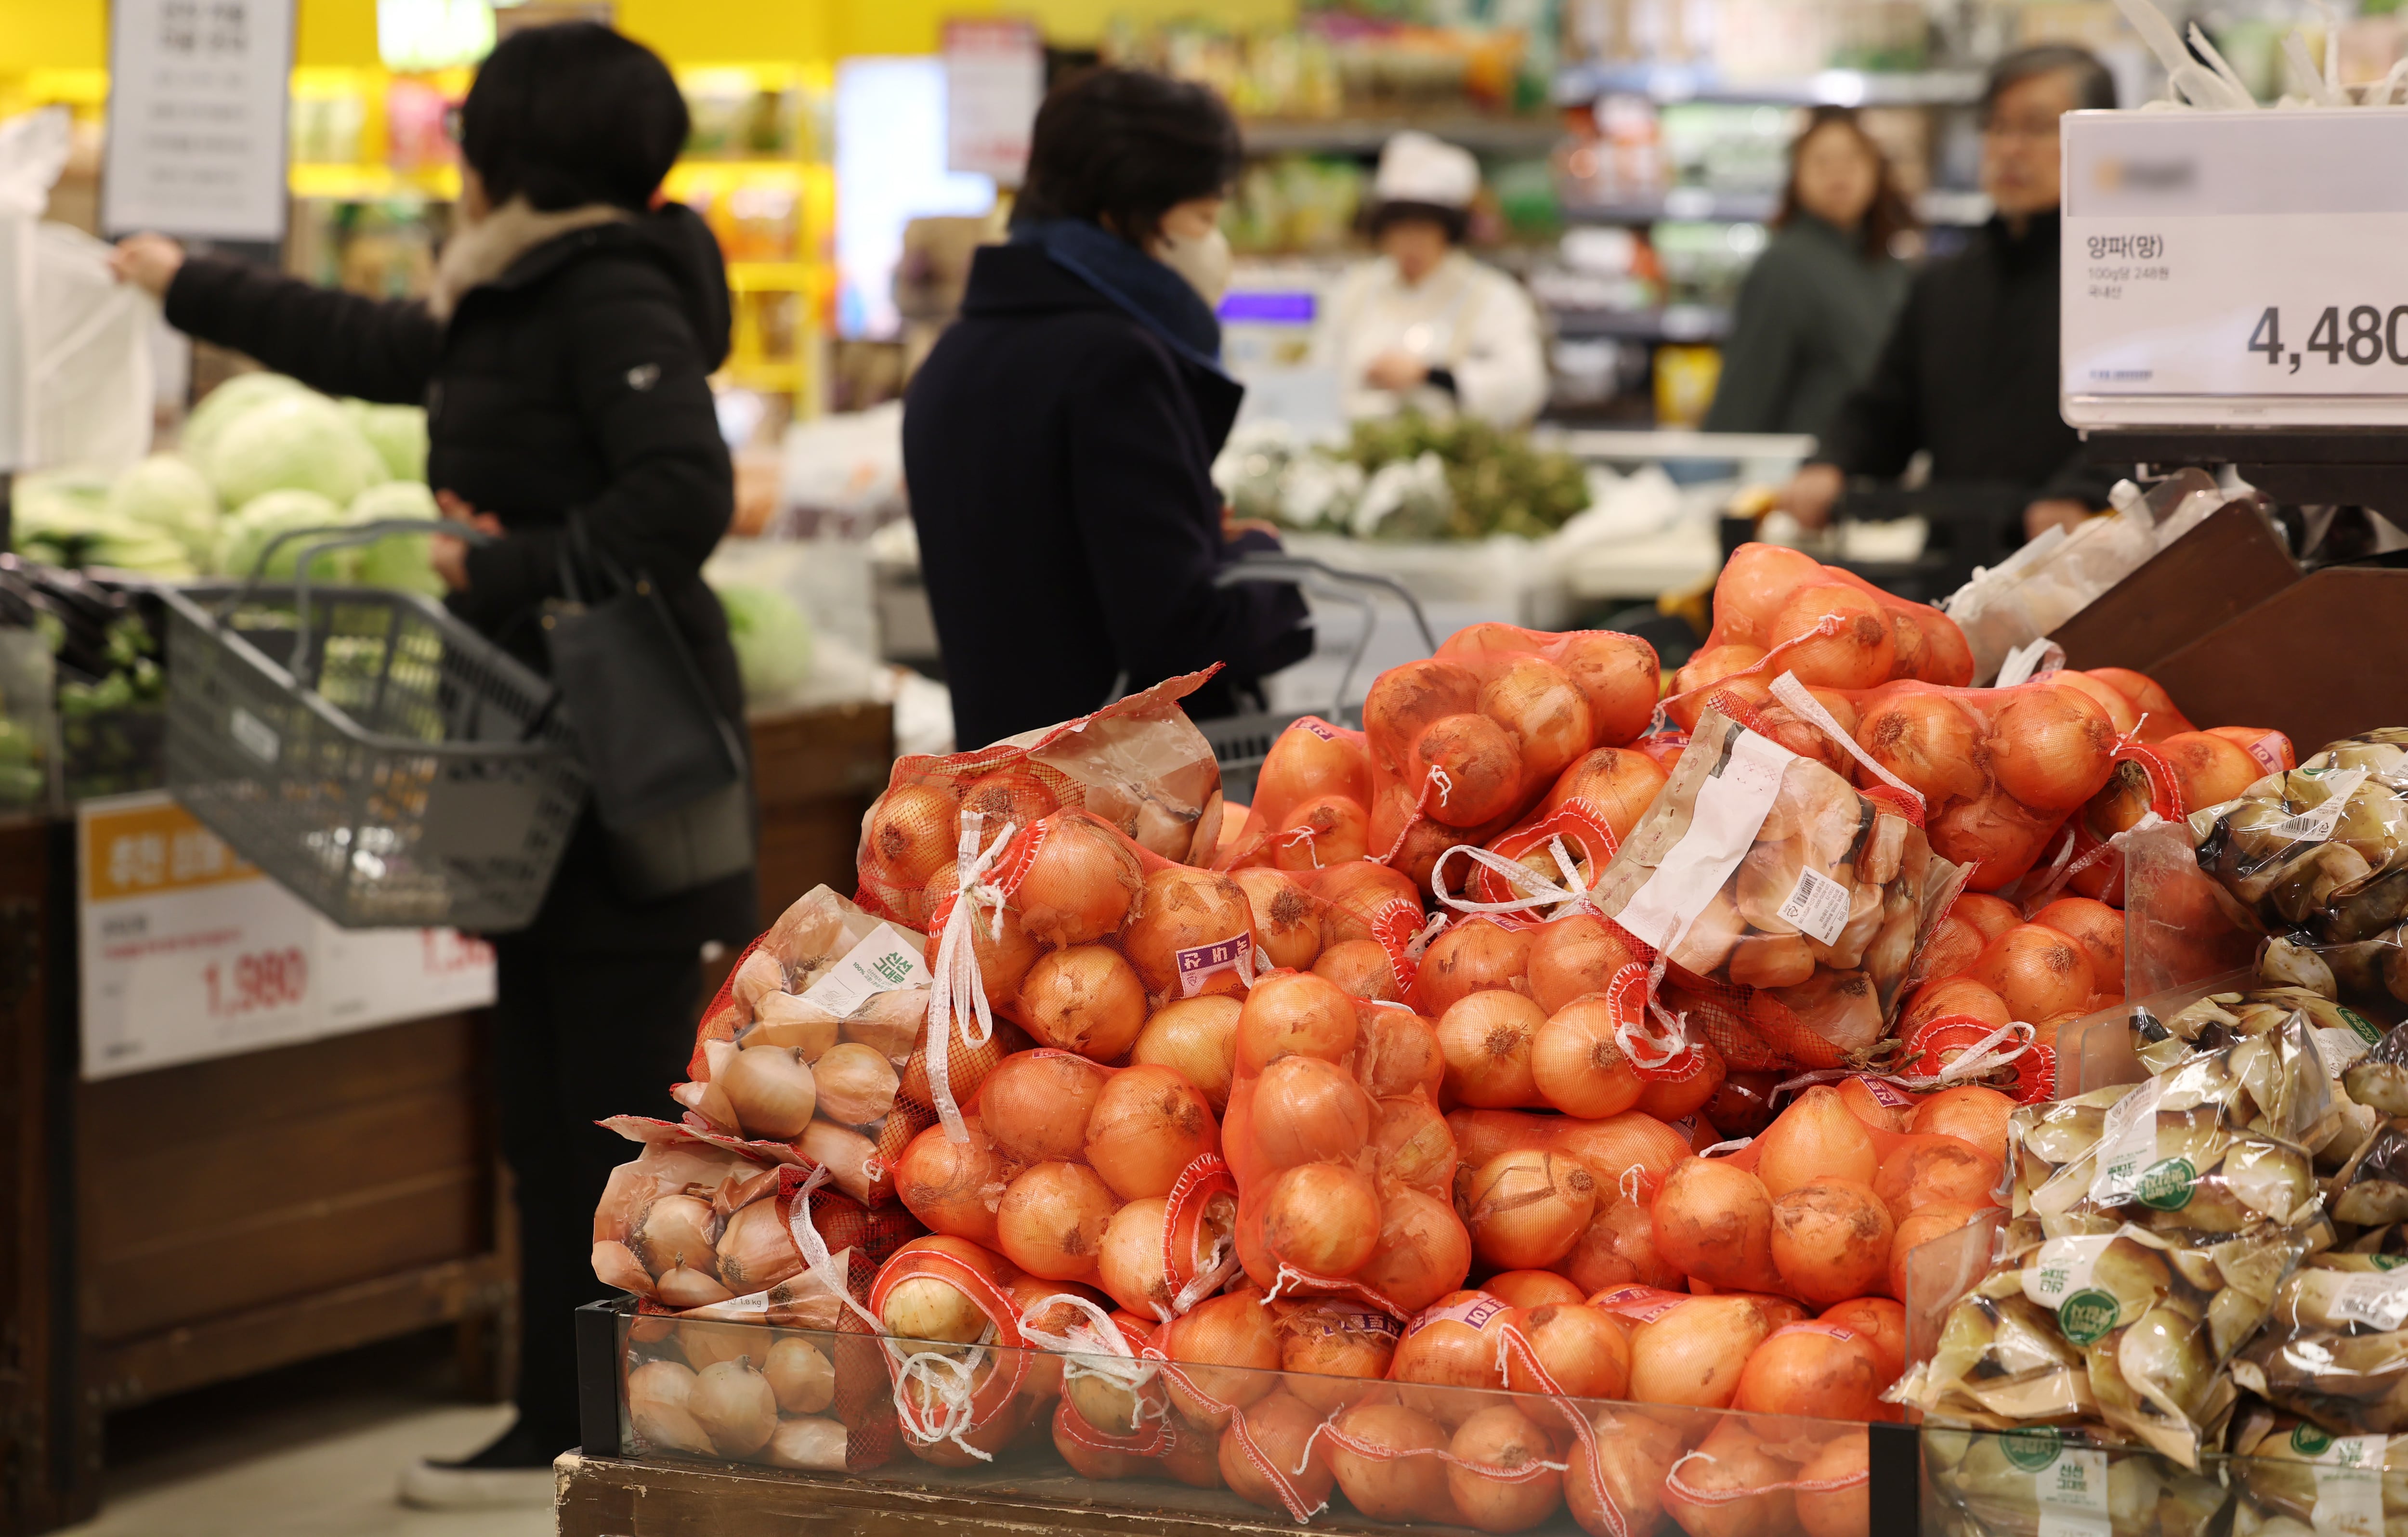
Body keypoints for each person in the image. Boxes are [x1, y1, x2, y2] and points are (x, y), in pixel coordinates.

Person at [112, 24, 753, 1508]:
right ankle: (557, 1417)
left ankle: (618, 1424)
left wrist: (507, 565)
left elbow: (682, 492)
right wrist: (178, 279)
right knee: (546, 1100)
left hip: (618, 757)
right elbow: (373, 349)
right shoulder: (517, 288)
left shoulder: (603, 290)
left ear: (516, 149)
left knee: (602, 1109)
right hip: (536, 756)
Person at [903, 68, 1311, 748]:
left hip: (1005, 785)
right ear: (1127, 214)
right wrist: (1267, 565)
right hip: (1120, 808)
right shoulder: (1116, 364)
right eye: (1206, 217)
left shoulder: (954, 355)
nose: (1217, 244)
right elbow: (1180, 639)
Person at [1783, 45, 2120, 544]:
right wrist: (1831, 462)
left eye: (2034, 126)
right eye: (1997, 127)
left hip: (2088, 580)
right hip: (1951, 582)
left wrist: (2082, 491)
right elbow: (1885, 408)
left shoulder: (2129, 282)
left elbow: (2154, 428)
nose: (2009, 148)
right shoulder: (1944, 283)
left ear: (2101, 140)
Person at [1702, 108, 1914, 437]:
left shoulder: (1893, 270)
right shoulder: (1783, 268)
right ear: (1796, 176)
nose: (1839, 174)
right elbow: (1746, 391)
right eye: (1822, 161)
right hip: (1802, 472)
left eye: (1852, 159)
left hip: (1875, 471)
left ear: (1876, 171)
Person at [1328, 130, 1549, 429]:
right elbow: (1319, 372)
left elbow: (1525, 384)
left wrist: (1430, 376)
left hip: (1459, 457)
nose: (1410, 242)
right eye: (1399, 228)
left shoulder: (1492, 295)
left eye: (1422, 228)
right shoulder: (1355, 290)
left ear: (1447, 231)